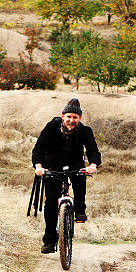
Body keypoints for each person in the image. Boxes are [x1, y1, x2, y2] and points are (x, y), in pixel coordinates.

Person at [31, 98, 101, 254]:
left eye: (75, 117)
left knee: (80, 177)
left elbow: (93, 150)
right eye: (69, 117)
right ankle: (49, 240)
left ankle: (80, 209)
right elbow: (38, 149)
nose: (71, 120)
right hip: (52, 165)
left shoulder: (85, 131)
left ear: (80, 118)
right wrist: (39, 167)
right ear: (63, 116)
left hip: (75, 163)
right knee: (50, 203)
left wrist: (93, 165)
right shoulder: (51, 127)